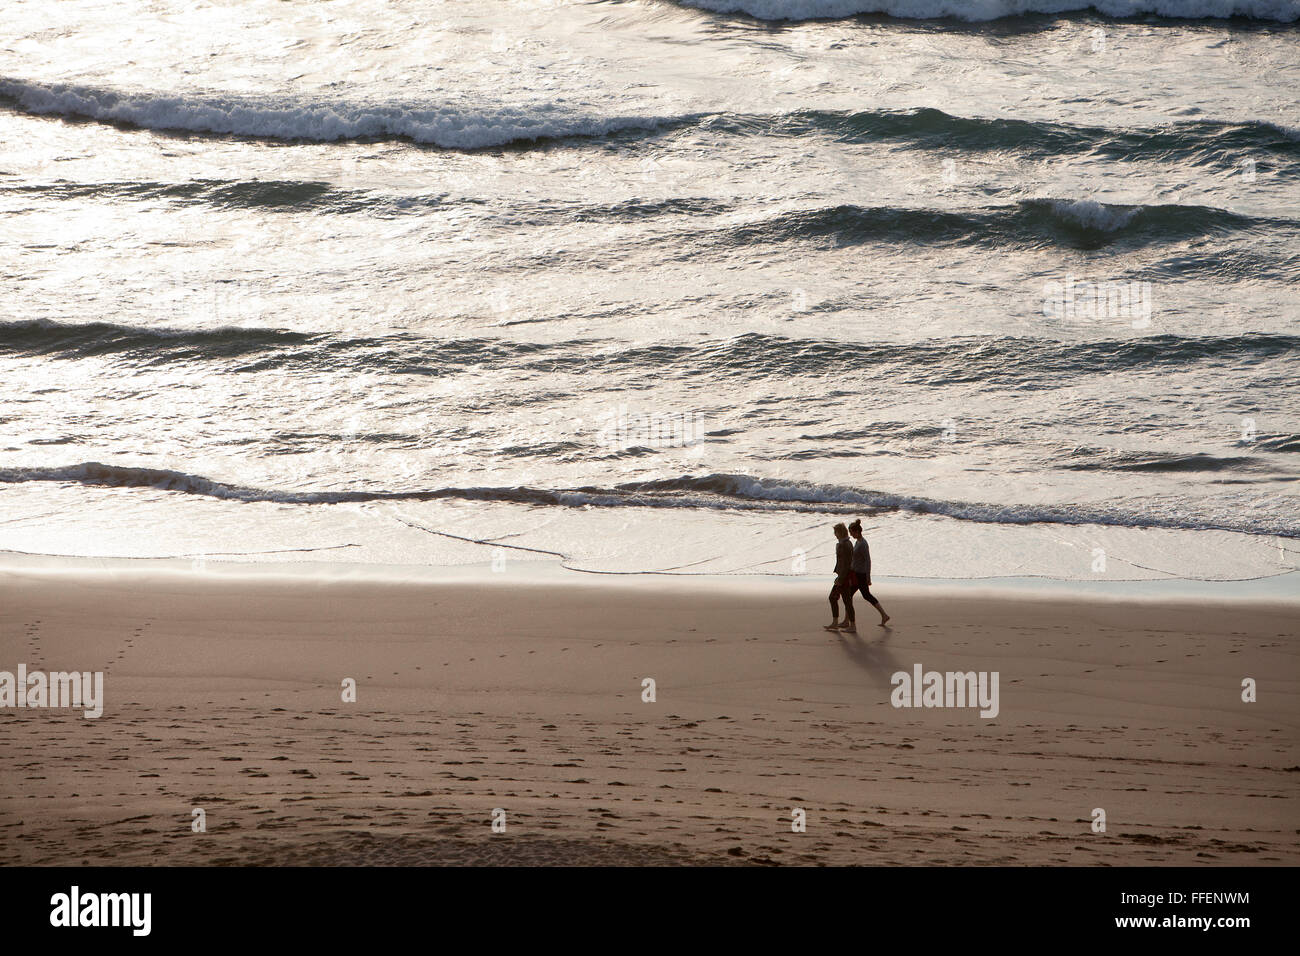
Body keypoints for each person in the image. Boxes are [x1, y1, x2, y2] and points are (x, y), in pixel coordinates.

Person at [849, 519, 890, 626]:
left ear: (857, 532)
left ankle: (884, 615)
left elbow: (868, 560)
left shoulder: (863, 544)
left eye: (851, 532)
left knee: (865, 595)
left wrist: (868, 577)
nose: (850, 534)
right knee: (849, 596)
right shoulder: (857, 542)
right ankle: (846, 620)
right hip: (855, 574)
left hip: (861, 575)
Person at [824, 522, 856, 632]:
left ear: (840, 532)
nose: (834, 534)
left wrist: (840, 579)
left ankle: (851, 625)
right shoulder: (844, 543)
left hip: (844, 578)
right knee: (842, 600)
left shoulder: (845, 545)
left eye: (835, 532)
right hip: (843, 576)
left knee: (840, 599)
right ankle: (838, 622)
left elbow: (846, 564)